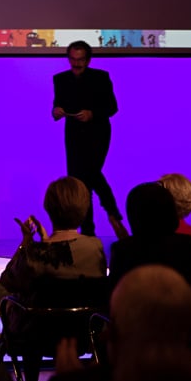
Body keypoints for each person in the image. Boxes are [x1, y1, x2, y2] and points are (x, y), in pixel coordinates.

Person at [52, 40, 120, 236]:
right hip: (73, 134)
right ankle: (95, 223)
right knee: (79, 181)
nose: (76, 64)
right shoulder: (61, 79)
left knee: (90, 173)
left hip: (97, 132)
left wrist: (92, 114)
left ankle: (104, 215)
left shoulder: (101, 77)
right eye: (73, 59)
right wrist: (56, 111)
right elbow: (57, 106)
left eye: (80, 60)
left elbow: (112, 107)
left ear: (88, 60)